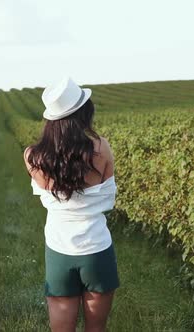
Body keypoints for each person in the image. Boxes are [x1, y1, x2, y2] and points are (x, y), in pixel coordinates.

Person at [23, 77, 120, 332]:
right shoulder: (101, 149)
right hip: (97, 248)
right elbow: (109, 197)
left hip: (59, 251)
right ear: (84, 112)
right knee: (96, 328)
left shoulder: (32, 157)